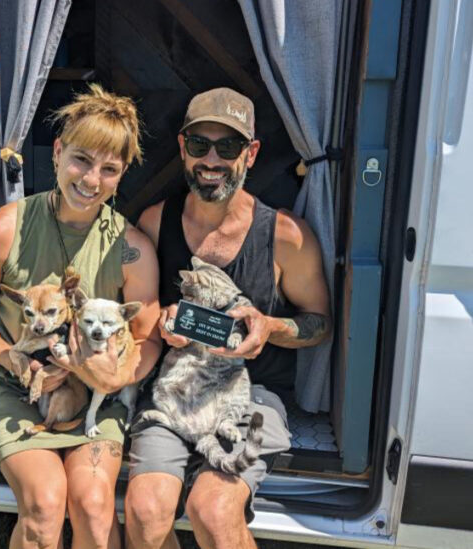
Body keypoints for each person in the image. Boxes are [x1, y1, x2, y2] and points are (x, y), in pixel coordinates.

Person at [0, 84, 161, 549]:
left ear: (122, 174)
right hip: (12, 387)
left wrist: (115, 375)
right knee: (45, 506)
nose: (91, 180)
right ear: (58, 152)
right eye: (82, 160)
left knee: (91, 506)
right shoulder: (1, 231)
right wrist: (11, 358)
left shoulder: (132, 248)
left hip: (93, 395)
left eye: (109, 169)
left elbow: (147, 335)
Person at [124, 88, 331, 549]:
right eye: (200, 145)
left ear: (251, 154)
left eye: (229, 146)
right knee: (144, 513)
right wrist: (160, 325)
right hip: (174, 394)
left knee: (214, 512)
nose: (212, 159)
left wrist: (270, 327)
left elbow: (320, 323)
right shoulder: (155, 222)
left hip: (252, 397)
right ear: (182, 148)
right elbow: (135, 307)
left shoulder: (286, 236)